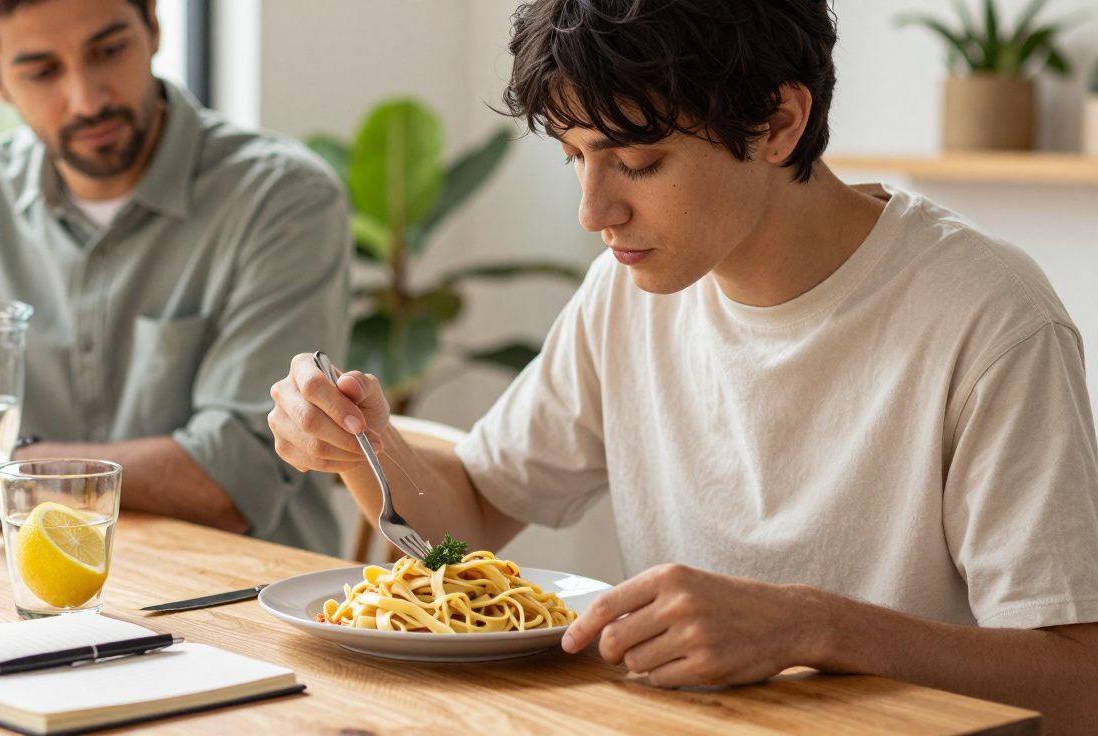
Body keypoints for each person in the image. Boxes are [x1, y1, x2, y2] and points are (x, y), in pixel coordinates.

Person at [268, 0, 1098, 728]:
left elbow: (1078, 686)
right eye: (575, 157)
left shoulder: (988, 317)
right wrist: (363, 447)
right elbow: (478, 512)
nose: (594, 210)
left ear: (778, 124)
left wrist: (817, 626)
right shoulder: (623, 292)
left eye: (637, 162)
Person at [0, 0, 351, 555]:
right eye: (41, 71)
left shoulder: (283, 200)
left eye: (109, 50)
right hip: (14, 585)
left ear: (154, 26)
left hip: (239, 603)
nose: (88, 98)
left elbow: (233, 479)